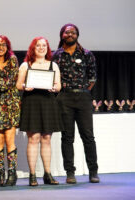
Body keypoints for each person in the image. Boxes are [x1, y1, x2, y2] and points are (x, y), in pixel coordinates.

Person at [52, 23, 100, 184]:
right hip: (64, 98)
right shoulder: (56, 55)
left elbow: (92, 78)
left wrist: (83, 90)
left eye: (73, 32)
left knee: (88, 136)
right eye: (67, 32)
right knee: (67, 137)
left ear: (77, 35)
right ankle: (70, 173)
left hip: (83, 99)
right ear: (62, 35)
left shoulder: (87, 54)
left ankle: (93, 172)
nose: (70, 34)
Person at [16, 37, 62, 186]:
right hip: (32, 103)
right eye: (38, 45)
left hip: (48, 102)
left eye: (44, 45)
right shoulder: (25, 65)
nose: (41, 48)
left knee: (46, 139)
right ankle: (32, 175)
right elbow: (18, 85)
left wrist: (54, 88)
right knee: (33, 138)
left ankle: (47, 174)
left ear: (47, 48)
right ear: (33, 48)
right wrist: (25, 86)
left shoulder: (53, 65)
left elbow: (58, 86)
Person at [0, 35, 21, 186]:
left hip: (11, 103)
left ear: (8, 46)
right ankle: (1, 175)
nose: (1, 47)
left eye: (4, 44)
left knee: (9, 140)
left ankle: (12, 175)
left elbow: (9, 82)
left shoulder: (13, 60)